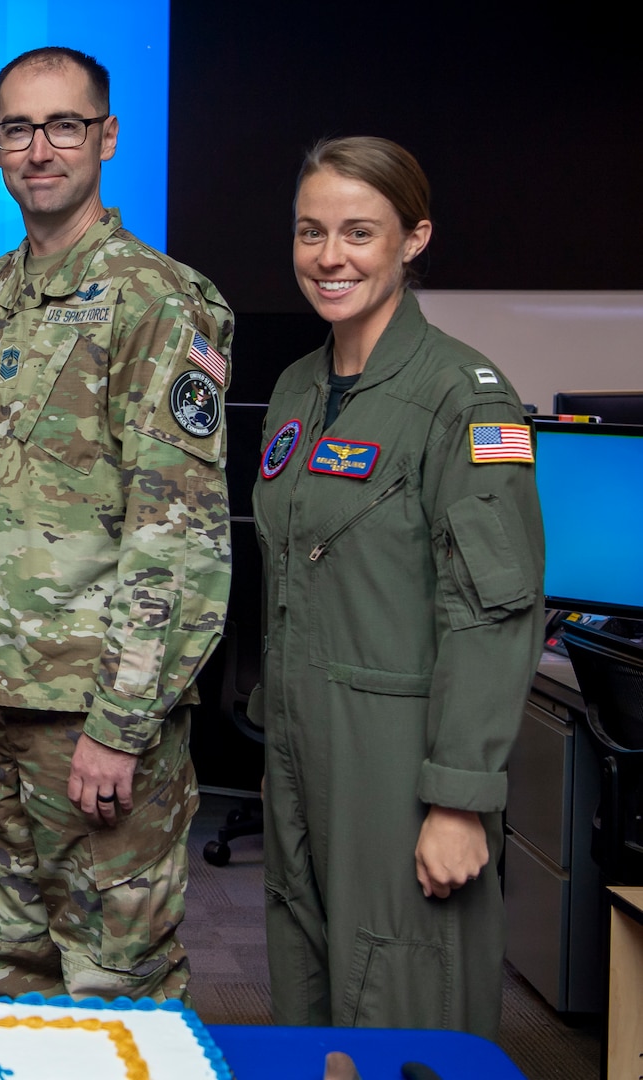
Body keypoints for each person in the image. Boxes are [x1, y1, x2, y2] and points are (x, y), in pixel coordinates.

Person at [0, 46, 234, 1001]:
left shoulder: (158, 302)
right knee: (5, 977)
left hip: (88, 723)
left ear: (107, 137)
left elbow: (177, 538)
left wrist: (123, 725)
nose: (38, 148)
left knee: (114, 984)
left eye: (63, 126)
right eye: (17, 128)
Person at [254, 137, 543, 1038]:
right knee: (305, 969)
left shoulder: (469, 399)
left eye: (358, 232)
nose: (328, 257)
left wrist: (459, 797)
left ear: (413, 239)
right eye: (311, 232)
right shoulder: (298, 388)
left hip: (399, 749)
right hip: (300, 738)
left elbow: (494, 609)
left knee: (403, 988)